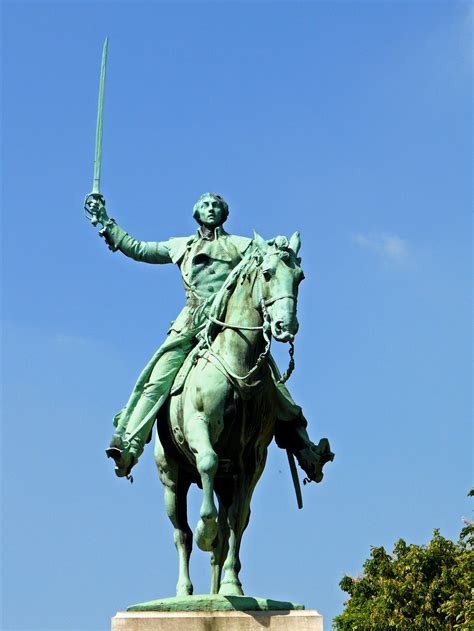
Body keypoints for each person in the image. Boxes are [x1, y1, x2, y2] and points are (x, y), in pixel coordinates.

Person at [87, 192, 332, 480]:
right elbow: (139, 248)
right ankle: (130, 444)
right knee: (157, 379)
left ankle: (307, 453)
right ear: (196, 213)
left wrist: (281, 246)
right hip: (191, 322)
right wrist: (106, 223)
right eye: (205, 205)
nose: (211, 208)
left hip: (230, 322)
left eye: (216, 205)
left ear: (224, 213)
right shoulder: (181, 246)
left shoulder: (240, 245)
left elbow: (272, 257)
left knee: (275, 388)